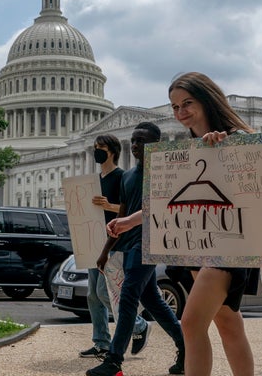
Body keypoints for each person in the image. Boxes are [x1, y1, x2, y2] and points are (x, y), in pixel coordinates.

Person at [168, 72, 256, 376]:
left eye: (187, 103)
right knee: (229, 325)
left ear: (206, 99)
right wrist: (131, 220)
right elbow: (173, 201)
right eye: (175, 107)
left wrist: (226, 149)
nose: (181, 113)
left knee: (191, 323)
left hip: (229, 244)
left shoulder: (237, 138)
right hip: (198, 244)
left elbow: (261, 186)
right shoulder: (189, 148)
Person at [86, 122, 185, 376]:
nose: (137, 145)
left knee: (128, 297)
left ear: (157, 144)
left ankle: (114, 361)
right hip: (129, 243)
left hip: (151, 243)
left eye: (142, 140)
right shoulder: (128, 176)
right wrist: (106, 250)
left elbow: (166, 208)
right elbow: (121, 215)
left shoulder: (164, 174)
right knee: (153, 301)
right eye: (134, 140)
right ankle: (185, 346)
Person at [79, 134, 150, 359]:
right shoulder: (94, 180)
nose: (96, 151)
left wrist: (108, 205)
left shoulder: (122, 176)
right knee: (92, 294)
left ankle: (138, 325)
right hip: (93, 239)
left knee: (103, 292)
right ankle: (101, 341)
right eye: (95, 147)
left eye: (100, 147)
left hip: (114, 240)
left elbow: (129, 208)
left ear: (112, 150)